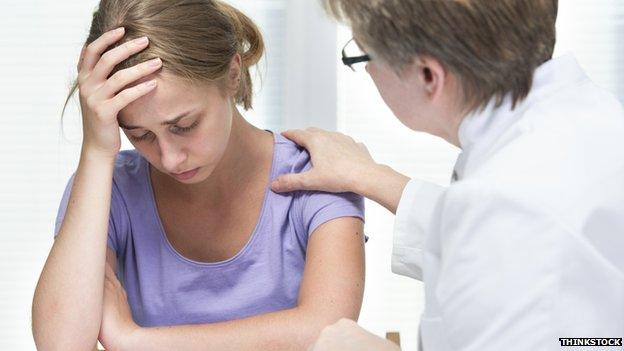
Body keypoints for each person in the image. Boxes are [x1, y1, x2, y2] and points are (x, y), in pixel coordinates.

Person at [271, 0, 624, 350]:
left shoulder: (512, 203)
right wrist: (370, 176)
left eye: (363, 57)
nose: (369, 74)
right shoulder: (583, 121)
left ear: (428, 76)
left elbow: (509, 231)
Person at [31, 1, 366, 350]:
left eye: (184, 126)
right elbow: (62, 344)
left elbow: (328, 331)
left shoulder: (317, 175)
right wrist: (97, 152)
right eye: (140, 134)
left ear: (233, 73)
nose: (170, 158)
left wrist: (135, 341)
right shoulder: (107, 189)